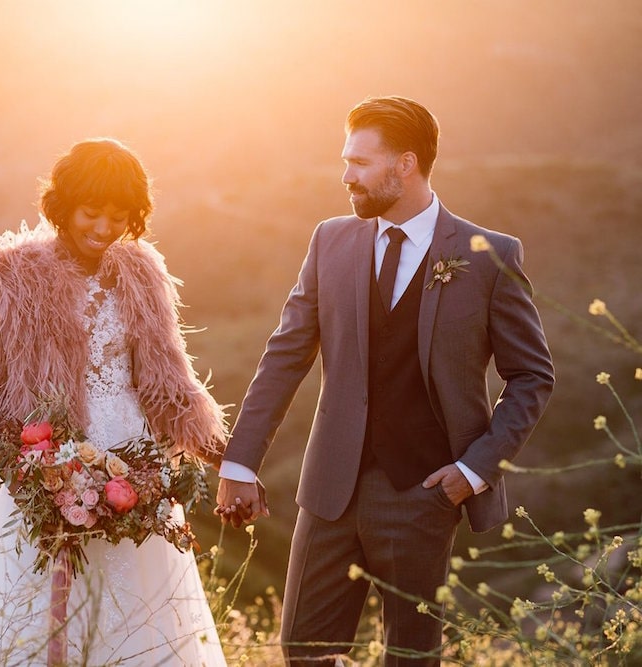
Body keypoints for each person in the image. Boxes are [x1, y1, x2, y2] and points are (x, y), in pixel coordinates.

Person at [216, 96, 554, 665]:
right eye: (345, 160)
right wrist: (240, 461)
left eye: (360, 163)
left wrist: (474, 470)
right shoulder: (331, 241)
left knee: (412, 658)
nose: (345, 176)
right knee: (304, 649)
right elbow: (286, 354)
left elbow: (531, 377)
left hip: (426, 492)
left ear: (406, 164)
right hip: (329, 487)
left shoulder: (488, 255)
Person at [0, 138, 229, 666]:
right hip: (41, 470)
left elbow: (167, 379)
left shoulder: (141, 275)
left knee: (136, 614)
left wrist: (223, 453)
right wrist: (34, 472)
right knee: (30, 610)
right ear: (62, 205)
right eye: (92, 213)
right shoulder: (5, 280)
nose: (103, 229)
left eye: (119, 217)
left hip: (132, 466)